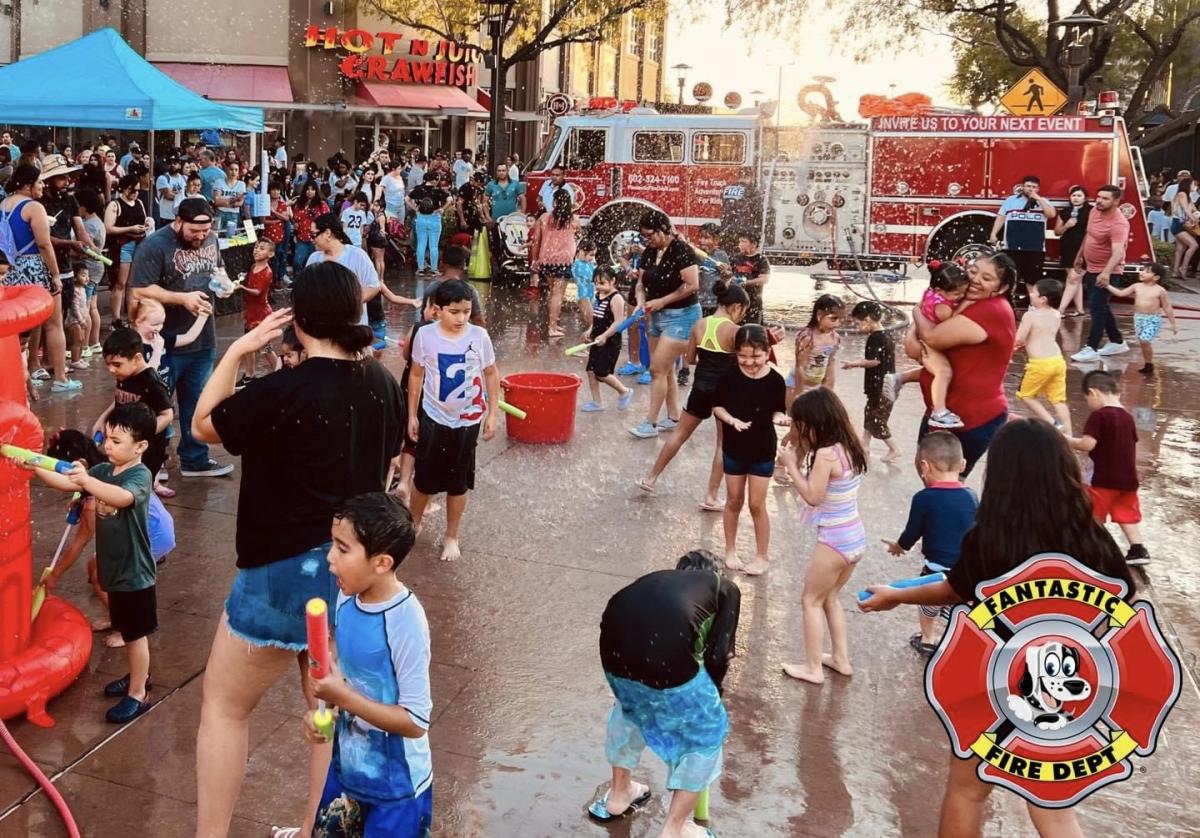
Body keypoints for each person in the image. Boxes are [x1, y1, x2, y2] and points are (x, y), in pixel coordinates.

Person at [189, 263, 405, 838]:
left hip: (279, 576)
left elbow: (203, 425)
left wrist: (237, 352)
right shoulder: (384, 383)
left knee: (225, 707)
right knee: (325, 714)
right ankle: (313, 827)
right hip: (350, 576)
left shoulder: (283, 389)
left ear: (298, 319)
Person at [859, 419, 1135, 838]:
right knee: (1055, 810)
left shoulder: (990, 539)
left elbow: (954, 589)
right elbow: (1123, 599)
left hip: (995, 681)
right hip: (1066, 686)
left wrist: (897, 595)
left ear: (1000, 477)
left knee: (967, 791)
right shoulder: (1092, 539)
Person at [305, 493, 433, 836]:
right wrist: (324, 712)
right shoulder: (346, 598)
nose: (330, 558)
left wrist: (342, 698)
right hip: (347, 772)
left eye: (343, 549)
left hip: (397, 789)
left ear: (382, 563)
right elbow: (344, 675)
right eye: (333, 544)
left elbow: (416, 720)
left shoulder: (406, 620)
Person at [588, 550, 740, 838]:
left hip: (613, 656)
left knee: (632, 709)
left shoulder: (662, 582)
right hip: (660, 660)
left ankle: (619, 794)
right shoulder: (724, 587)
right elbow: (719, 655)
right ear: (716, 572)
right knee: (707, 731)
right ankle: (676, 828)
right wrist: (713, 695)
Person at [27, 402, 159, 724]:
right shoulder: (104, 471)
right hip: (115, 570)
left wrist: (87, 482)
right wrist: (32, 464)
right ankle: (136, 677)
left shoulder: (139, 475)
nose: (107, 446)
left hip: (135, 573)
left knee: (135, 634)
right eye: (107, 439)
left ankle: (139, 693)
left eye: (116, 441)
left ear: (140, 446)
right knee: (128, 631)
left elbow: (122, 498)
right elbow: (66, 482)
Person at [130, 196, 232, 478]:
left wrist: (223, 283)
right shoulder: (155, 245)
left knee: (198, 402)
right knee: (158, 403)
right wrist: (180, 298)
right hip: (163, 341)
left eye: (205, 230)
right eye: (194, 231)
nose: (200, 236)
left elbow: (217, 268)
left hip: (202, 337)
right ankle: (153, 460)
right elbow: (139, 290)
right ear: (178, 221)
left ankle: (195, 458)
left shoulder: (210, 240)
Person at [778, 388, 868, 685]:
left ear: (816, 422)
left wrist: (791, 465)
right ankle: (841, 659)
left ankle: (813, 668)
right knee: (830, 597)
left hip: (835, 540)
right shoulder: (849, 447)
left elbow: (814, 497)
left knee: (810, 600)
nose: (799, 430)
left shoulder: (827, 455)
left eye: (801, 424)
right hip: (855, 537)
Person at [407, 279, 499, 562]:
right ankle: (413, 523)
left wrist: (493, 413)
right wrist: (412, 414)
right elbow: (416, 375)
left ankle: (451, 535)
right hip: (434, 416)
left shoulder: (479, 337)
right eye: (454, 311)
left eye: (466, 311)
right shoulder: (425, 336)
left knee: (458, 482)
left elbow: (492, 374)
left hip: (468, 419)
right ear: (437, 310)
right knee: (423, 480)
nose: (461, 318)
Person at [901, 254, 1018, 476]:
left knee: (945, 483)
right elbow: (913, 349)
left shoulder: (992, 310)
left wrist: (916, 312)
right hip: (942, 414)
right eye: (973, 271)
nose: (974, 280)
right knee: (928, 474)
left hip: (971, 418)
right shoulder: (960, 302)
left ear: (1001, 288)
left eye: (987, 278)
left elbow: (931, 338)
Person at [637, 281, 748, 508]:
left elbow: (690, 360)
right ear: (736, 307)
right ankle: (711, 496)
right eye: (743, 312)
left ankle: (651, 478)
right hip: (725, 394)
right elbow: (745, 362)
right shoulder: (735, 332)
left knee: (678, 435)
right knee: (722, 444)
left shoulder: (699, 325)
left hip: (700, 390)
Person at [882, 431, 976, 657]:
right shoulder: (972, 496)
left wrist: (899, 547)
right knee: (961, 611)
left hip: (935, 571)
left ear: (925, 466)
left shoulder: (924, 498)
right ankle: (957, 644)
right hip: (966, 572)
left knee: (927, 606)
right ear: (963, 464)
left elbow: (912, 532)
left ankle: (927, 640)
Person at [713, 324, 789, 575]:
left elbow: (779, 408)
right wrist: (731, 420)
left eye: (755, 356)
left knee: (757, 504)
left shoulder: (776, 380)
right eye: (743, 356)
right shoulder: (728, 376)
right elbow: (717, 407)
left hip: (763, 448)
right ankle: (730, 550)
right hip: (734, 447)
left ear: (767, 352)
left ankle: (761, 555)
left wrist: (779, 418)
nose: (749, 362)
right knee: (734, 501)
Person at [629, 210, 702, 439]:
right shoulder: (650, 252)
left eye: (649, 235)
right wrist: (641, 302)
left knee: (656, 370)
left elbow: (692, 285)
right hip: (656, 316)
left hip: (682, 316)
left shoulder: (682, 251)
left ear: (662, 230)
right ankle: (673, 417)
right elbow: (641, 283)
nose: (646, 240)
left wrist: (662, 301)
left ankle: (650, 423)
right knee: (666, 369)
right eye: (643, 236)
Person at [1066, 370, 1150, 566]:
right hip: (1128, 481)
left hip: (1102, 479)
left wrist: (1066, 440)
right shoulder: (1128, 418)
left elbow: (1088, 444)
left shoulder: (1099, 416)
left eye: (1087, 399)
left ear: (1094, 393)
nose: (1089, 404)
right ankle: (1138, 550)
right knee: (1126, 515)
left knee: (1093, 515)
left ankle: (1092, 552)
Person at [37, 154, 94, 390]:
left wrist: (90, 246)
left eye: (67, 176)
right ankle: (39, 363)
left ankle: (55, 362)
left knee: (60, 319)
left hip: (67, 267)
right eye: (61, 177)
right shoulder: (39, 203)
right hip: (45, 266)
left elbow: (79, 228)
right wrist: (71, 245)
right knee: (43, 321)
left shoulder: (70, 200)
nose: (66, 181)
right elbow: (43, 239)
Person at [1069, 184, 1130, 362]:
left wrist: (1106, 274)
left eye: (1105, 198)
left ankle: (1091, 348)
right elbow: (1088, 235)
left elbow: (1118, 252)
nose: (1100, 201)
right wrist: (1079, 256)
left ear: (1116, 201)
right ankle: (1117, 341)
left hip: (1108, 271)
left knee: (1096, 308)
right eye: (1099, 197)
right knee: (1101, 306)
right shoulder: (1094, 212)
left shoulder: (1119, 224)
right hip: (1091, 267)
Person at [843, 301, 901, 463]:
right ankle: (865, 444)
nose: (857, 327)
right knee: (870, 414)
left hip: (880, 387)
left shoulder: (875, 338)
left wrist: (855, 363)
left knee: (876, 420)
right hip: (887, 385)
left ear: (868, 319)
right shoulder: (886, 336)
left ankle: (894, 448)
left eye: (857, 323)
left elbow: (874, 361)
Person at [1014, 278, 1071, 432]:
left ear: (1043, 299)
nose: (1031, 294)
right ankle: (1069, 433)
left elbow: (1019, 338)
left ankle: (1053, 424)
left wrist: (1013, 345)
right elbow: (1042, 335)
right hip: (1057, 361)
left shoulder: (1030, 316)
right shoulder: (1056, 314)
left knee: (1026, 395)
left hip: (1040, 364)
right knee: (1058, 399)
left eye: (1034, 292)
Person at [306, 214, 381, 326]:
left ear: (327, 233)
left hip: (353, 328)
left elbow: (374, 286)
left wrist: (351, 303)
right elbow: (307, 290)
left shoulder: (357, 255)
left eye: (314, 235)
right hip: (322, 327)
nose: (311, 239)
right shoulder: (314, 258)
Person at [987, 174, 1056, 293]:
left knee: (1032, 280)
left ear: (1038, 189)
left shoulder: (1043, 202)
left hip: (1035, 248)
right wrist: (994, 234)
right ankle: (1008, 304)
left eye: (1034, 187)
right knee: (1011, 279)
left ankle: (1033, 306)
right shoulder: (1010, 201)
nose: (1030, 189)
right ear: (1022, 187)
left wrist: (1038, 199)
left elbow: (1051, 215)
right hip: (1013, 247)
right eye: (1028, 186)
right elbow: (1001, 217)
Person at [1105, 262, 1177, 375]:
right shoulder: (1136, 286)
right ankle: (1148, 364)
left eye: (1146, 271)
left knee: (1144, 340)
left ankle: (1148, 364)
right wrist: (1107, 285)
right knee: (1143, 342)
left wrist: (1173, 323)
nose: (1142, 272)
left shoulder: (1160, 290)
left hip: (1153, 319)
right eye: (1142, 270)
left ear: (1156, 277)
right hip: (1138, 318)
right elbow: (1120, 293)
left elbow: (1167, 307)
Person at [580, 266, 634, 412]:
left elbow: (618, 322)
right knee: (591, 370)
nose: (598, 286)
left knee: (602, 372)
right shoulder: (598, 296)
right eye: (596, 283)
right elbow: (596, 318)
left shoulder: (616, 298)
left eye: (602, 283)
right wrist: (590, 330)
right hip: (597, 340)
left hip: (610, 341)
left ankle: (624, 391)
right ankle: (597, 402)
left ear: (613, 281)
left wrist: (604, 336)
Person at [528, 188, 581, 337]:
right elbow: (579, 233)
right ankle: (552, 327)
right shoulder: (573, 220)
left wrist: (535, 259)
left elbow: (536, 241)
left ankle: (554, 323)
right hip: (564, 260)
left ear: (555, 202)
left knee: (553, 292)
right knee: (558, 294)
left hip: (546, 259)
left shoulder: (544, 218)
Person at [105, 173, 153, 325]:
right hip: (123, 245)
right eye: (133, 190)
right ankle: (116, 317)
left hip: (139, 243)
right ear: (126, 189)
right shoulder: (115, 205)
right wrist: (130, 228)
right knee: (120, 282)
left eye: (138, 190)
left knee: (133, 282)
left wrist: (146, 224)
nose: (136, 193)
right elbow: (109, 228)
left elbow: (144, 218)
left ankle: (132, 314)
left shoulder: (139, 203)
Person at [791, 294, 845, 397]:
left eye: (840, 320)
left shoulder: (834, 338)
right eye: (833, 319)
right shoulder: (807, 337)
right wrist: (799, 393)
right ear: (819, 315)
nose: (837, 324)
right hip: (799, 385)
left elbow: (830, 366)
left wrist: (828, 391)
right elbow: (800, 367)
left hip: (818, 385)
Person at [239, 239, 277, 384]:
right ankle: (249, 374)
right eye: (256, 247)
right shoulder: (253, 266)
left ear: (271, 254)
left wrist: (241, 288)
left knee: (264, 347)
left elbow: (257, 292)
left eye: (262, 248)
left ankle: (278, 369)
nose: (256, 250)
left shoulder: (267, 272)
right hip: (251, 312)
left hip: (261, 314)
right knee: (249, 345)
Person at [1054, 185, 1091, 316]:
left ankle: (1061, 310)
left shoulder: (1091, 211)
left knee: (1073, 278)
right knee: (1076, 280)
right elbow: (1057, 231)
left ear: (1085, 198)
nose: (1076, 198)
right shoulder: (1065, 211)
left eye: (1079, 195)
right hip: (1068, 246)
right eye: (1073, 195)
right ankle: (1080, 309)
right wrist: (1066, 225)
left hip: (1085, 247)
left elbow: (1092, 231)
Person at [406, 171, 451, 276]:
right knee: (433, 245)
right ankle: (434, 269)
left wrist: (416, 209)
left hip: (421, 218)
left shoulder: (418, 189)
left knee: (421, 244)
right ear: (434, 179)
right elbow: (449, 199)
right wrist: (442, 209)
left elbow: (407, 199)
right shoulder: (438, 191)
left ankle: (420, 268)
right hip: (434, 217)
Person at [729, 230, 770, 325]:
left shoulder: (761, 260)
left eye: (744, 241)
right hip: (736, 304)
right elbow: (728, 275)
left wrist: (746, 282)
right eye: (739, 242)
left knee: (752, 334)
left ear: (754, 244)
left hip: (754, 304)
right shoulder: (734, 259)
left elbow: (764, 279)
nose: (740, 244)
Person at [719, 168, 762, 249]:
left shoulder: (727, 188)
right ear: (751, 177)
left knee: (727, 253)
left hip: (726, 229)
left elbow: (724, 206)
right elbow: (757, 211)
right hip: (742, 231)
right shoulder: (752, 190)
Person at [292, 181, 326, 273]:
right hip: (301, 237)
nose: (309, 191)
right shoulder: (299, 204)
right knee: (297, 262)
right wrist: (295, 234)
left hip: (316, 239)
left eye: (312, 189)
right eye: (308, 189)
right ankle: (298, 282)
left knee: (313, 264)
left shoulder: (322, 205)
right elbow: (295, 221)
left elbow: (327, 221)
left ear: (316, 191)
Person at [1168, 175, 1198, 279]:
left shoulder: (1187, 196)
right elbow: (1186, 209)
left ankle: (1175, 271)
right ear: (1188, 185)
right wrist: (1194, 219)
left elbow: (1194, 210)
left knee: (1180, 249)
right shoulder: (1182, 194)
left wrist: (1196, 215)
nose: (1195, 186)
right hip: (1179, 223)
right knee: (1194, 245)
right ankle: (1183, 268)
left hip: (1181, 223)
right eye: (1193, 184)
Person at [572, 239, 598, 333]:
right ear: (582, 252)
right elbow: (579, 280)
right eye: (591, 255)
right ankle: (591, 333)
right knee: (590, 320)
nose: (593, 258)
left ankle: (590, 333)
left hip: (590, 292)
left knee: (590, 319)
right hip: (583, 294)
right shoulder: (577, 264)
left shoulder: (589, 263)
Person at [381, 158, 407, 223]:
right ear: (393, 169)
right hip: (391, 206)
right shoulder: (386, 178)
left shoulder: (400, 177)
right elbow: (380, 189)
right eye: (399, 168)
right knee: (392, 227)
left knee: (401, 226)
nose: (400, 170)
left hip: (401, 205)